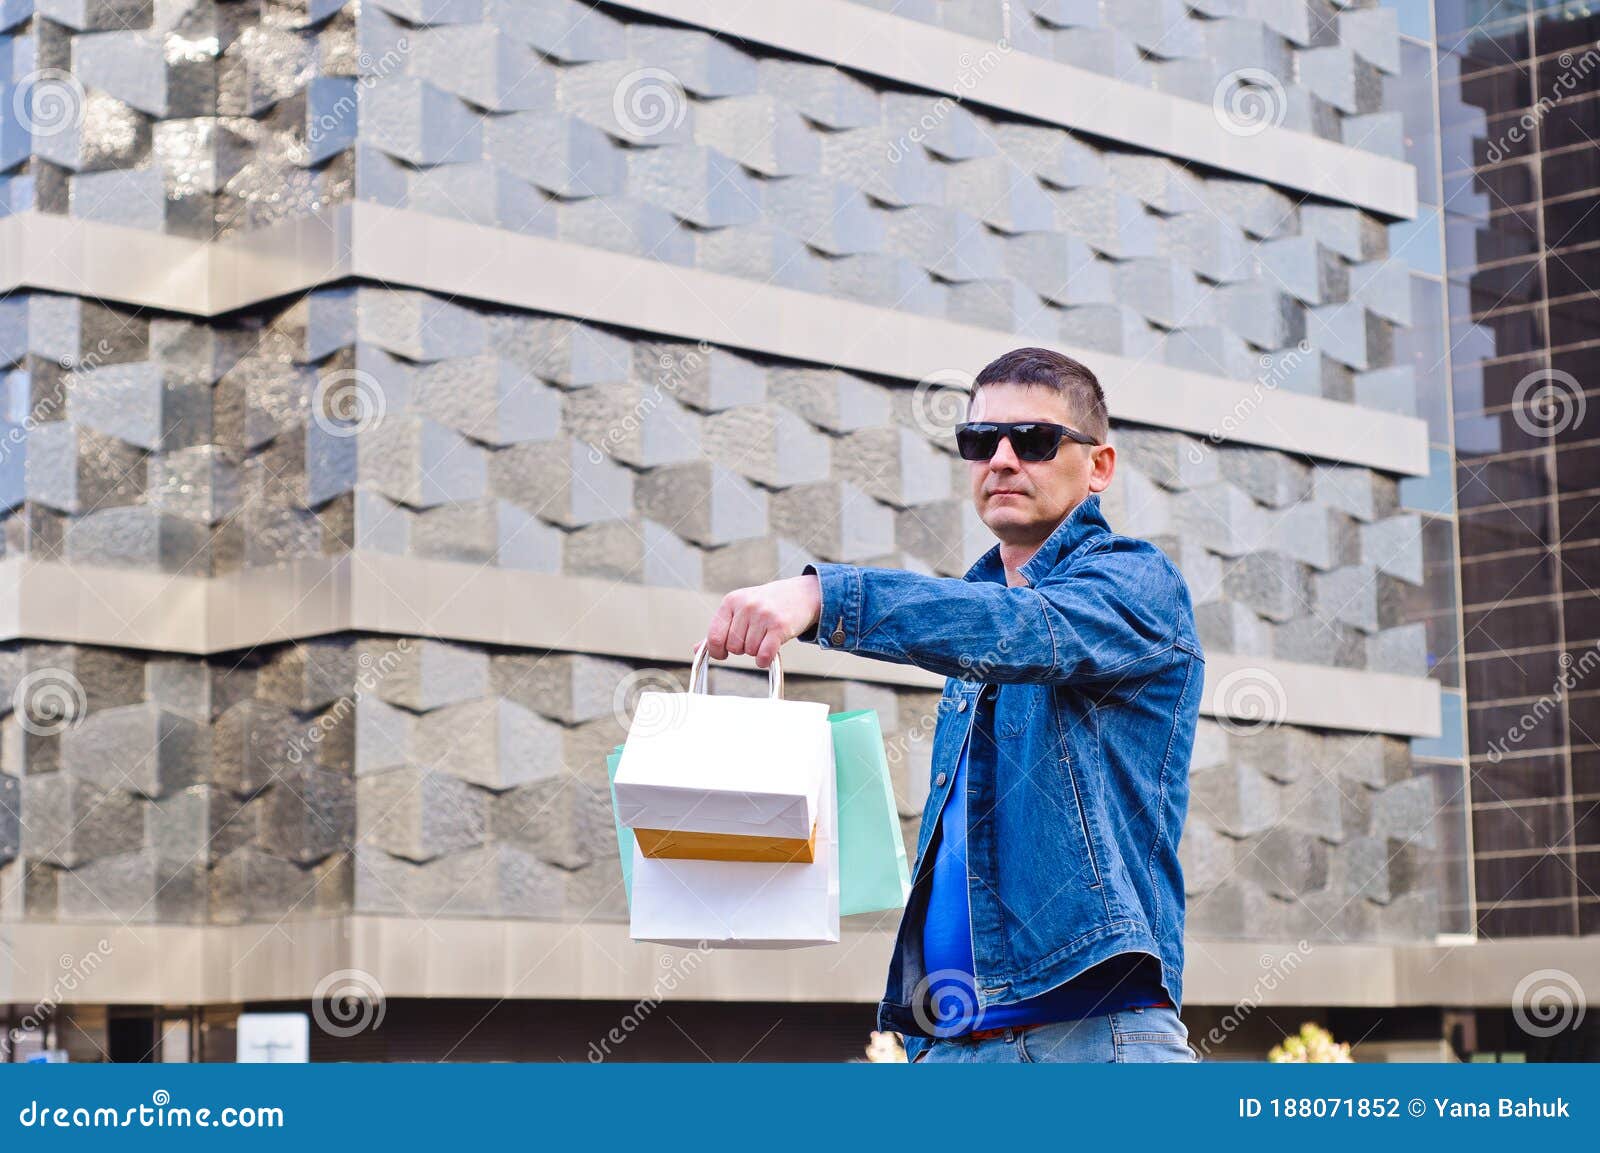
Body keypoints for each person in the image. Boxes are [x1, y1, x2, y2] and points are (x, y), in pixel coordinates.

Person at [703, 347, 1203, 1063]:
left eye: (1033, 440)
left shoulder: (1136, 585)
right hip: (951, 1046)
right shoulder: (977, 636)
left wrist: (823, 596)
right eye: (979, 441)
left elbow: (1027, 631)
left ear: (1100, 466)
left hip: (1090, 1042)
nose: (1000, 459)